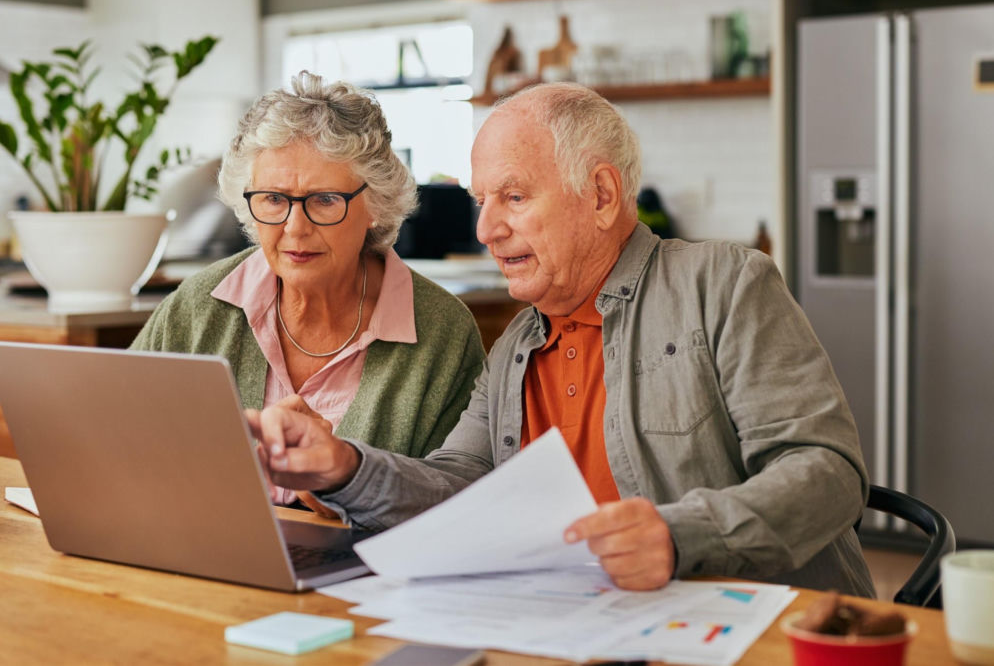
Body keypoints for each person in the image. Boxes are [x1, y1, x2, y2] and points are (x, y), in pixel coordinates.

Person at [247, 82, 875, 596]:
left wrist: (680, 536)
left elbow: (827, 475)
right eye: (482, 201)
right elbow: (459, 488)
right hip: (580, 626)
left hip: (758, 627)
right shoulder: (517, 344)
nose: (487, 229)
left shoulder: (723, 285)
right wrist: (344, 468)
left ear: (601, 195)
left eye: (514, 197)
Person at [131, 71, 485, 506]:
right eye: (274, 199)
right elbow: (118, 434)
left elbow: (452, 500)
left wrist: (340, 485)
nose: (295, 228)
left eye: (325, 200)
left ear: (375, 204)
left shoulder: (442, 332)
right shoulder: (197, 306)